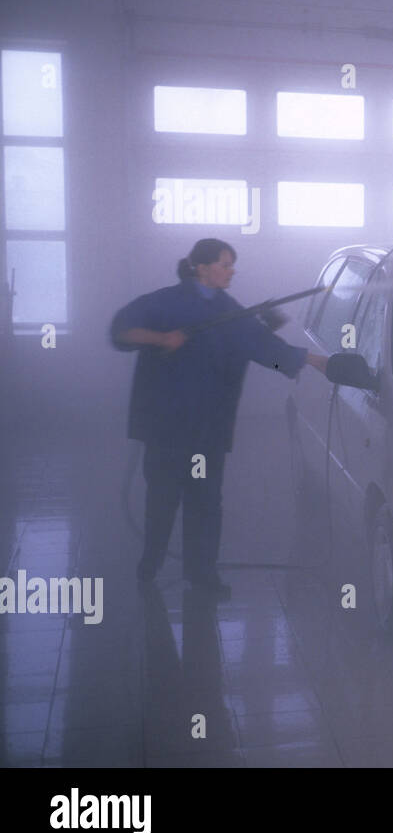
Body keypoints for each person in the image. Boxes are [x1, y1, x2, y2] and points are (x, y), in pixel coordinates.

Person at [110, 239, 329, 597]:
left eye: (232, 265)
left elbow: (267, 352)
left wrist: (314, 361)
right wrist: (161, 337)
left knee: (205, 503)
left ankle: (203, 575)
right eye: (225, 264)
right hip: (166, 430)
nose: (231, 271)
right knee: (162, 499)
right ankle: (150, 564)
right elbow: (120, 331)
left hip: (206, 434)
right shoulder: (163, 302)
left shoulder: (232, 314)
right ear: (200, 266)